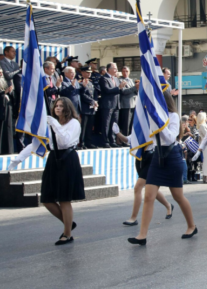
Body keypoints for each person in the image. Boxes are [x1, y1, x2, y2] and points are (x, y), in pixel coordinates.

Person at [9, 98, 84, 245]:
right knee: (47, 198)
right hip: (54, 159)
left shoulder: (73, 123)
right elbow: (35, 144)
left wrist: (55, 125)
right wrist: (18, 159)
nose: (58, 108)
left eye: (61, 106)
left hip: (67, 158)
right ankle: (68, 223)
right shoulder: (50, 124)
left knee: (64, 198)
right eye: (56, 106)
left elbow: (65, 141)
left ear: (67, 108)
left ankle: (67, 234)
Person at [128, 89, 197, 245]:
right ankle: (142, 235)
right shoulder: (151, 116)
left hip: (172, 156)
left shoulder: (173, 116)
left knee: (178, 196)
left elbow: (170, 137)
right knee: (149, 196)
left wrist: (159, 122)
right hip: (156, 157)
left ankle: (192, 226)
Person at [113, 124, 174, 225]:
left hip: (151, 157)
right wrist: (117, 133)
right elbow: (128, 140)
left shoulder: (153, 125)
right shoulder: (140, 125)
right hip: (140, 159)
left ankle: (133, 218)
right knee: (150, 187)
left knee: (138, 187)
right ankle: (168, 205)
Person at [98, 63, 121, 147]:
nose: (116, 70)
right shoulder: (104, 78)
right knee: (106, 124)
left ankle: (113, 140)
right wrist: (119, 88)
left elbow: (119, 91)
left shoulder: (116, 78)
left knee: (114, 124)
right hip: (107, 105)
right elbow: (107, 90)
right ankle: (105, 141)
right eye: (114, 68)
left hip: (116, 104)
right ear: (109, 69)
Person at [118, 66, 138, 137]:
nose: (125, 73)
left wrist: (137, 88)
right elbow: (124, 91)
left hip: (133, 104)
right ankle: (125, 139)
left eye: (126, 71)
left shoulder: (131, 80)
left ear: (129, 72)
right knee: (126, 124)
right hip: (126, 104)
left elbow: (134, 91)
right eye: (123, 71)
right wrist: (135, 87)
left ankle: (130, 138)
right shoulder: (120, 80)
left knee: (131, 124)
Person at [0, 70, 15, 154]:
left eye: (1, 72)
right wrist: (3, 93)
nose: (1, 74)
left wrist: (9, 92)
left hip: (6, 110)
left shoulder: (4, 81)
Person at [196, 112, 207, 183]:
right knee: (206, 161)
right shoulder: (202, 126)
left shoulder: (204, 125)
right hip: (205, 145)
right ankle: (205, 176)